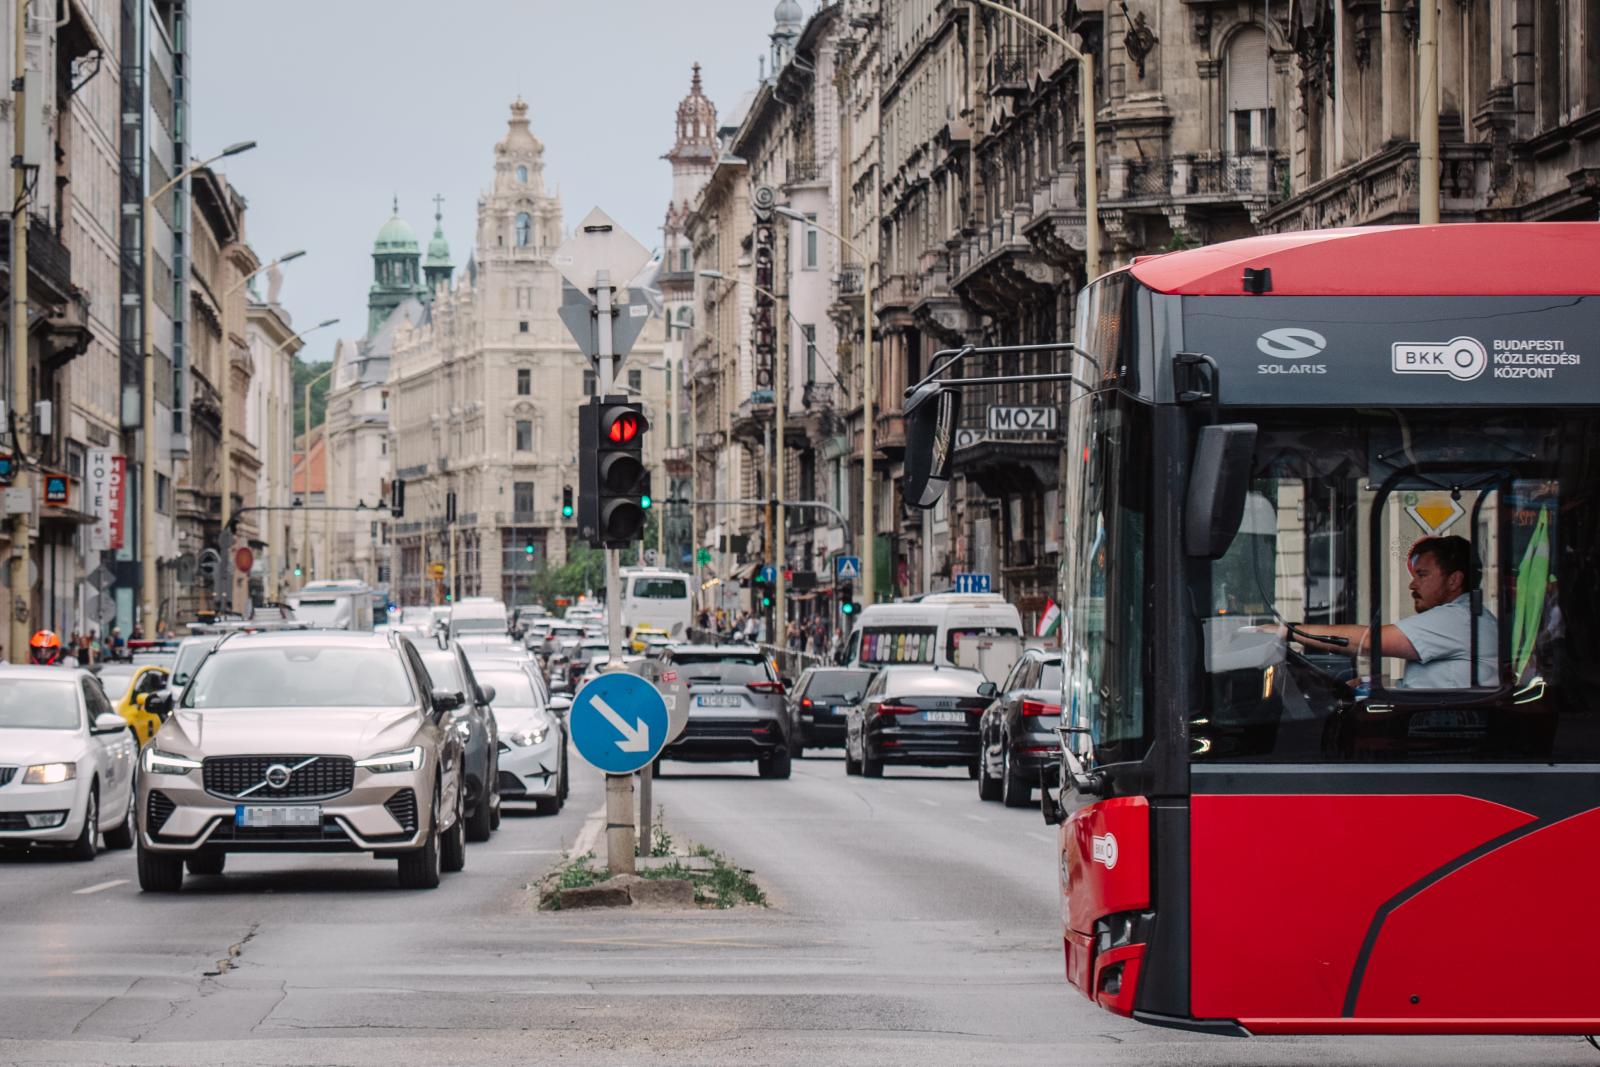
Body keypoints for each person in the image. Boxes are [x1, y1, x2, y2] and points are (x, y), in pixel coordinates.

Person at [1291, 535, 1499, 689]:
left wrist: (1289, 632)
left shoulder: (1458, 619)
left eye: (1422, 575)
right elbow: (1433, 680)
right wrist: (1373, 683)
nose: (1412, 585)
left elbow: (1366, 641)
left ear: (1454, 580)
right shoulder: (1468, 615)